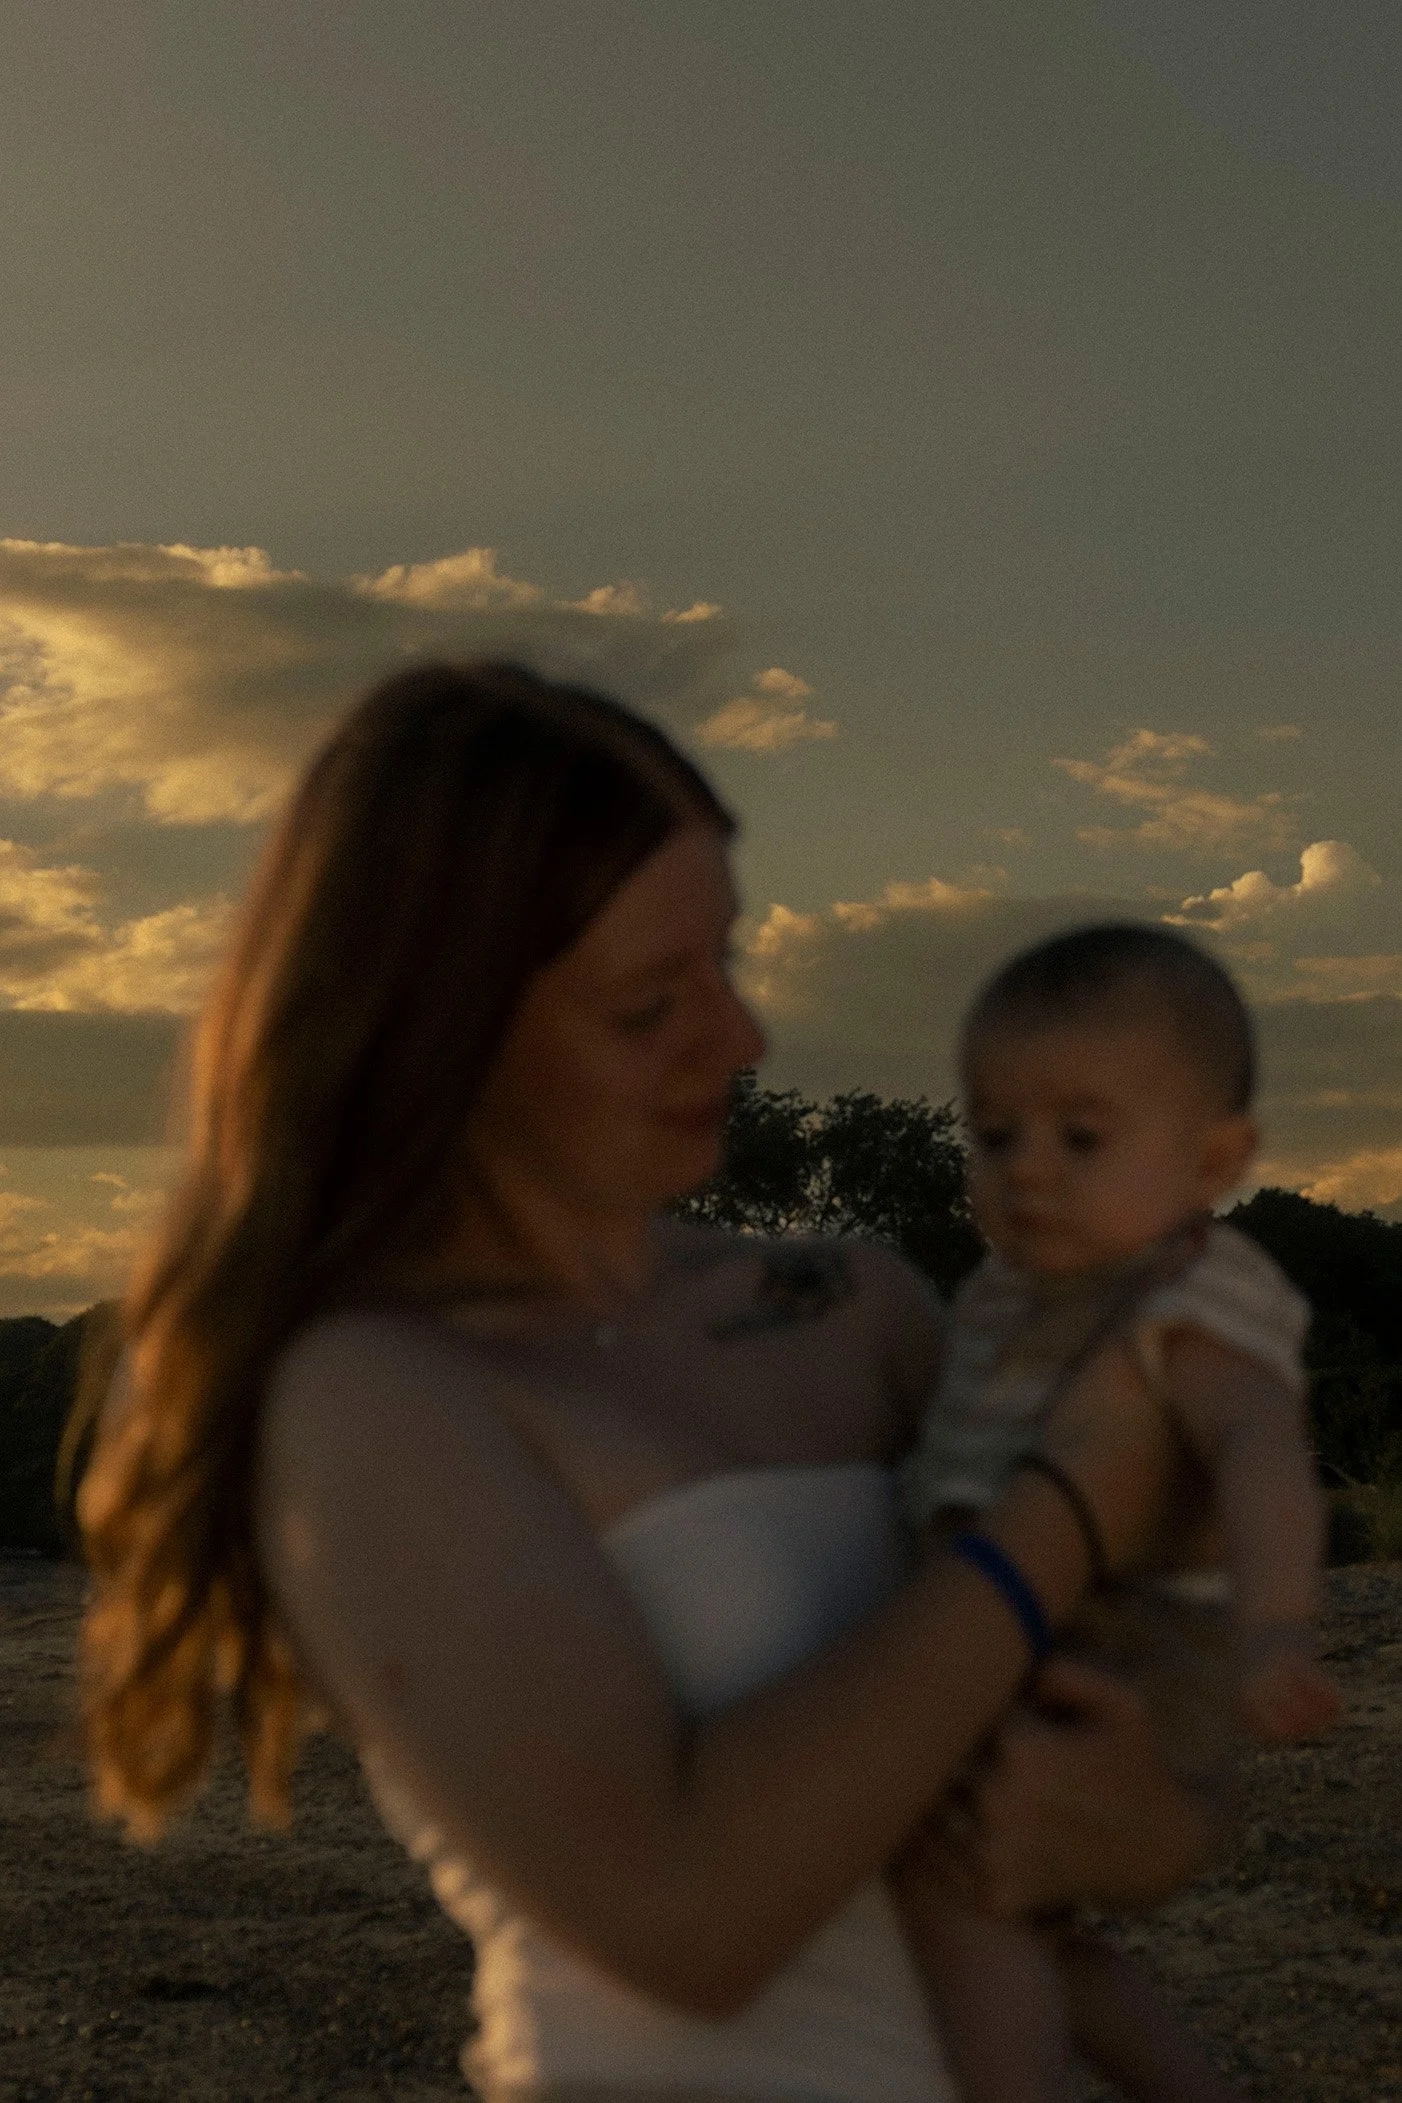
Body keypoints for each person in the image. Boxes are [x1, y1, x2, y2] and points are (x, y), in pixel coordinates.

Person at [77, 662, 1216, 2103]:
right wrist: (1061, 1510)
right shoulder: (373, 1397)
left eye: (726, 964)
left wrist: (1150, 1813)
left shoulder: (849, 1309)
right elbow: (685, 1920)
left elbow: (1127, 1792)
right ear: (449, 1031)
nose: (738, 1038)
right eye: (646, 1005)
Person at [895, 925, 1339, 2103]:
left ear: (1213, 1160)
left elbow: (1259, 1452)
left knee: (963, 1900)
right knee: (1037, 1935)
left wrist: (1277, 1629)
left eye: (1080, 1138)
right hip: (1036, 1631)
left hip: (1127, 1647)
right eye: (995, 1136)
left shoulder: (1186, 1296)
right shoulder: (1005, 1298)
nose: (1028, 1170)